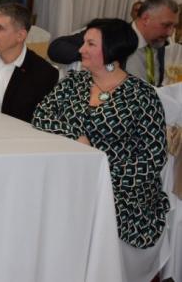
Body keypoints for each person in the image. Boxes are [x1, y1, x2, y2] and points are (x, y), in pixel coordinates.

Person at [32, 18, 169, 282]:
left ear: (112, 51)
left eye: (90, 44)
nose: (81, 49)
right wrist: (77, 136)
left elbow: (153, 157)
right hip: (72, 182)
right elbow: (41, 116)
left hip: (123, 193)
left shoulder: (142, 96)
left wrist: (104, 174)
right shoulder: (74, 83)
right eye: (84, 43)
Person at [48, 0, 179, 86]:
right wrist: (96, 55)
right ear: (146, 19)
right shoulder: (111, 34)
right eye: (166, 25)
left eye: (174, 26)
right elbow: (56, 48)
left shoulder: (160, 44)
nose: (170, 32)